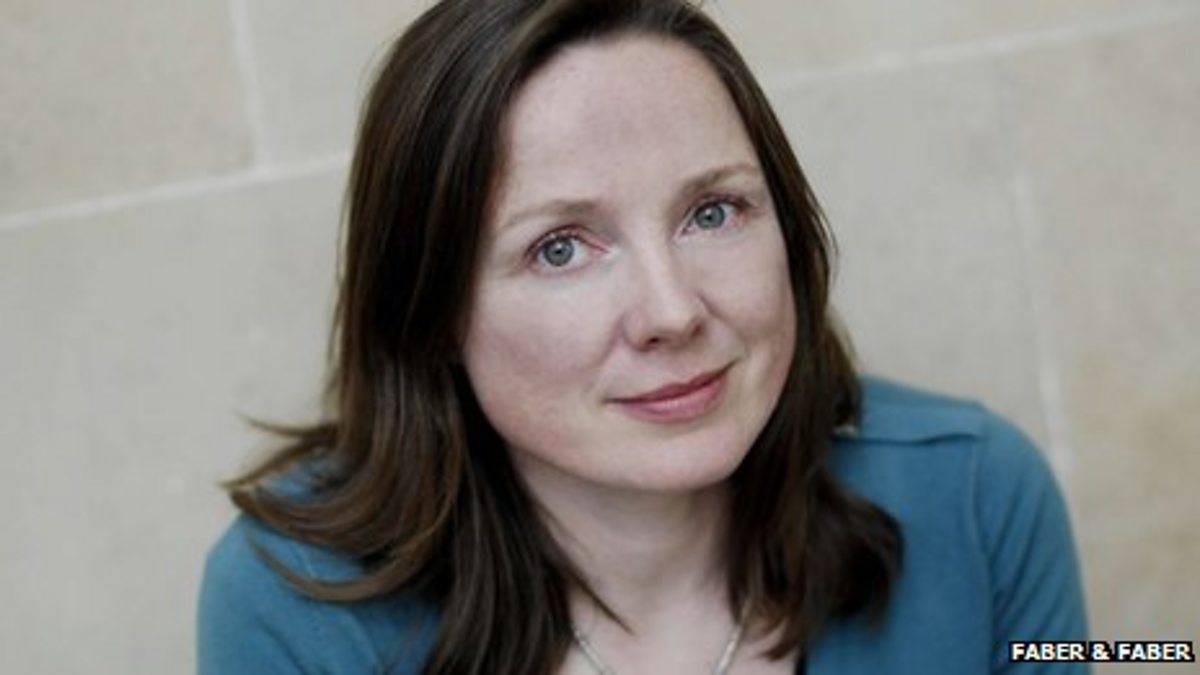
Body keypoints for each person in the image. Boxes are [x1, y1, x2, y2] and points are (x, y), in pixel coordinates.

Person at [198, 1, 1089, 673]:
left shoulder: (976, 495)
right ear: (431, 314)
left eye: (713, 211)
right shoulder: (295, 603)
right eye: (559, 247)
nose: (671, 311)